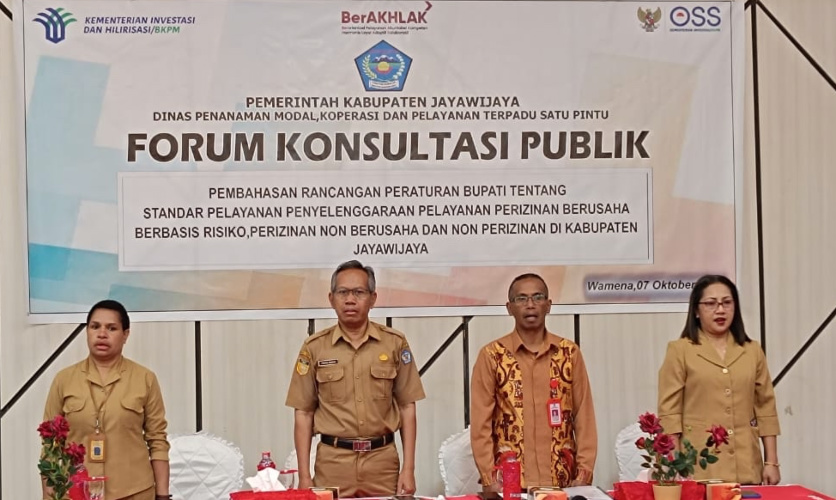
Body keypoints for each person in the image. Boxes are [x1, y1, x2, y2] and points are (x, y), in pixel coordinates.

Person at [285, 260, 426, 497]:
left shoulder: (394, 343)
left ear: (373, 298)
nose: (350, 300)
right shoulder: (315, 347)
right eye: (343, 292)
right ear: (331, 299)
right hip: (333, 465)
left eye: (359, 292)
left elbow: (407, 406)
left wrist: (409, 469)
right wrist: (304, 476)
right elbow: (304, 412)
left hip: (382, 464)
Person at [470, 273, 597, 489]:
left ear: (548, 305)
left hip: (563, 482)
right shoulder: (492, 355)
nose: (530, 305)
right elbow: (481, 424)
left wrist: (584, 474)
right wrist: (489, 477)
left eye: (538, 297)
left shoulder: (568, 353)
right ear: (509, 308)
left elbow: (584, 417)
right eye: (521, 298)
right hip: (509, 484)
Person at [658, 275, 781, 485]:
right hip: (699, 467)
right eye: (711, 304)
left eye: (727, 302)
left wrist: (771, 462)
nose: (720, 310)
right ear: (696, 311)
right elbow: (670, 412)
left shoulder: (752, 350)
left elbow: (766, 408)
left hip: (746, 465)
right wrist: (675, 465)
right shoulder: (680, 350)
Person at [42, 300, 171, 500]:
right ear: (87, 331)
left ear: (125, 334)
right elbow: (50, 444)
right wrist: (49, 495)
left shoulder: (145, 379)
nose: (102, 334)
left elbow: (158, 441)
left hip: (134, 492)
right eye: (95, 327)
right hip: (76, 492)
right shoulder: (64, 379)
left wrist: (162, 496)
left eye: (111, 328)